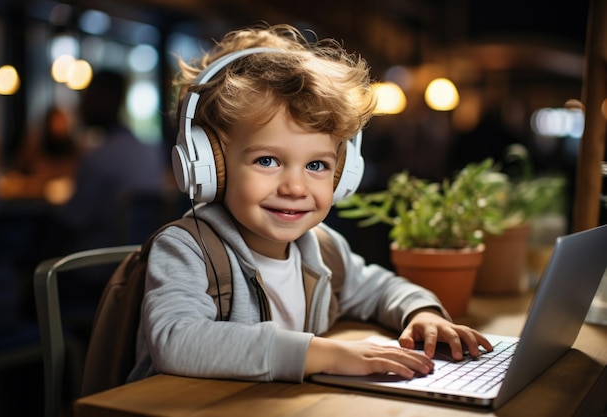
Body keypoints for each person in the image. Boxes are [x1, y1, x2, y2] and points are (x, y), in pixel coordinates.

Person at [128, 23, 492, 385]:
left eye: (317, 165)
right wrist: (323, 354)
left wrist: (423, 312)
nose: (296, 187)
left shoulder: (321, 248)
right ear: (209, 165)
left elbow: (381, 289)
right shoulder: (187, 249)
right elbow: (177, 340)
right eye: (267, 161)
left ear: (342, 174)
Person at [54, 70, 166, 252]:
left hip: (96, 263)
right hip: (143, 259)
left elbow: (73, 220)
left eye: (88, 97)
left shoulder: (98, 158)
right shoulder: (150, 151)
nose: (82, 105)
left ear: (107, 100)